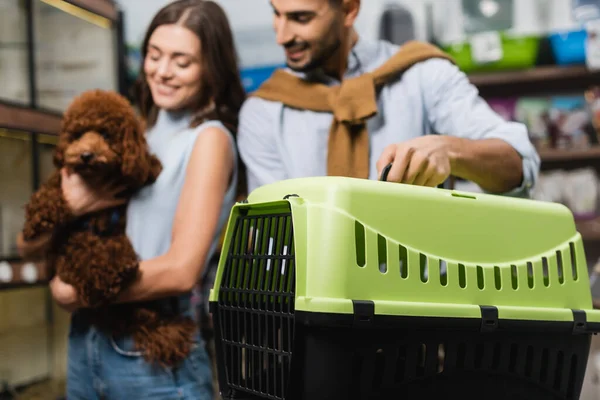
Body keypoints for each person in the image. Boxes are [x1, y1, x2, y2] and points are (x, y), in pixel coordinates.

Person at [17, 0, 245, 399]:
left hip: (153, 351)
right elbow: (30, 244)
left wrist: (78, 291)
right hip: (87, 341)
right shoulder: (135, 135)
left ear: (212, 67)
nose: (162, 71)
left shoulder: (208, 139)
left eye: (181, 61)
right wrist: (73, 207)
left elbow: (180, 271)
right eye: (153, 56)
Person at [237, 0, 540, 197]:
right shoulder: (263, 110)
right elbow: (271, 234)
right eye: (276, 14)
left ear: (348, 10)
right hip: (309, 291)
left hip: (427, 288)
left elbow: (518, 164)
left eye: (300, 18)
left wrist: (451, 151)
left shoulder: (423, 73)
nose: (282, 36)